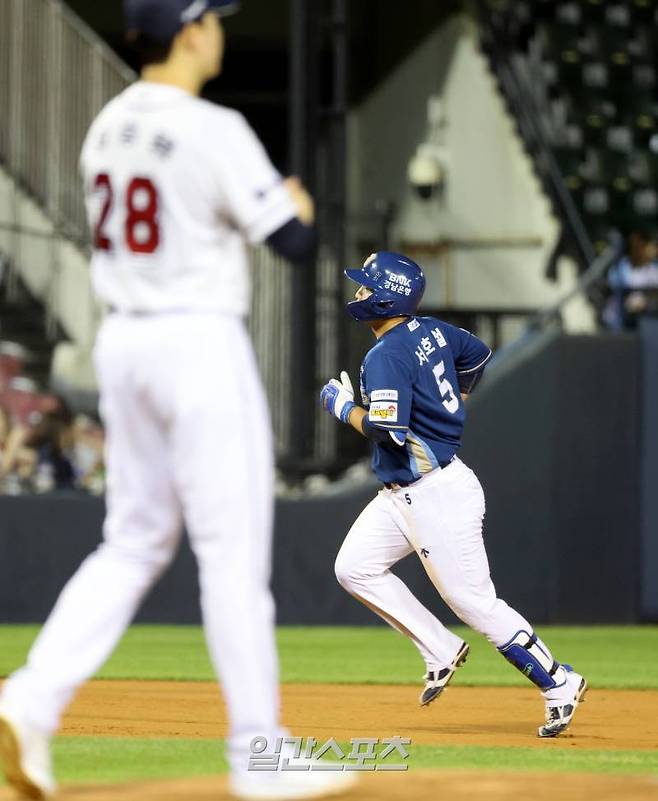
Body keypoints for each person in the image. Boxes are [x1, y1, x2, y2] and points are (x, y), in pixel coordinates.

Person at [0, 2, 353, 799]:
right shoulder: (211, 127)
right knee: (231, 553)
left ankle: (29, 701)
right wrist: (295, 206)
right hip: (196, 341)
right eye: (214, 17)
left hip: (126, 341)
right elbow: (293, 243)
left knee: (130, 543)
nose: (222, 29)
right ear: (191, 30)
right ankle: (260, 753)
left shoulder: (104, 128)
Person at [320, 251, 588, 739]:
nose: (358, 293)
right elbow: (478, 353)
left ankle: (559, 681)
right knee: (353, 567)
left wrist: (343, 409)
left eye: (366, 286)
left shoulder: (386, 355)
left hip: (434, 493)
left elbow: (388, 430)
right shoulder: (432, 331)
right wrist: (456, 400)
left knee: (474, 602)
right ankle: (439, 648)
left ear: (387, 296)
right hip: (405, 493)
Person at [602, 229, 658, 330]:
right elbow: (615, 289)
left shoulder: (654, 270)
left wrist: (645, 302)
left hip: (647, 321)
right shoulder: (620, 267)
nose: (654, 250)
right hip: (618, 321)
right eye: (651, 246)